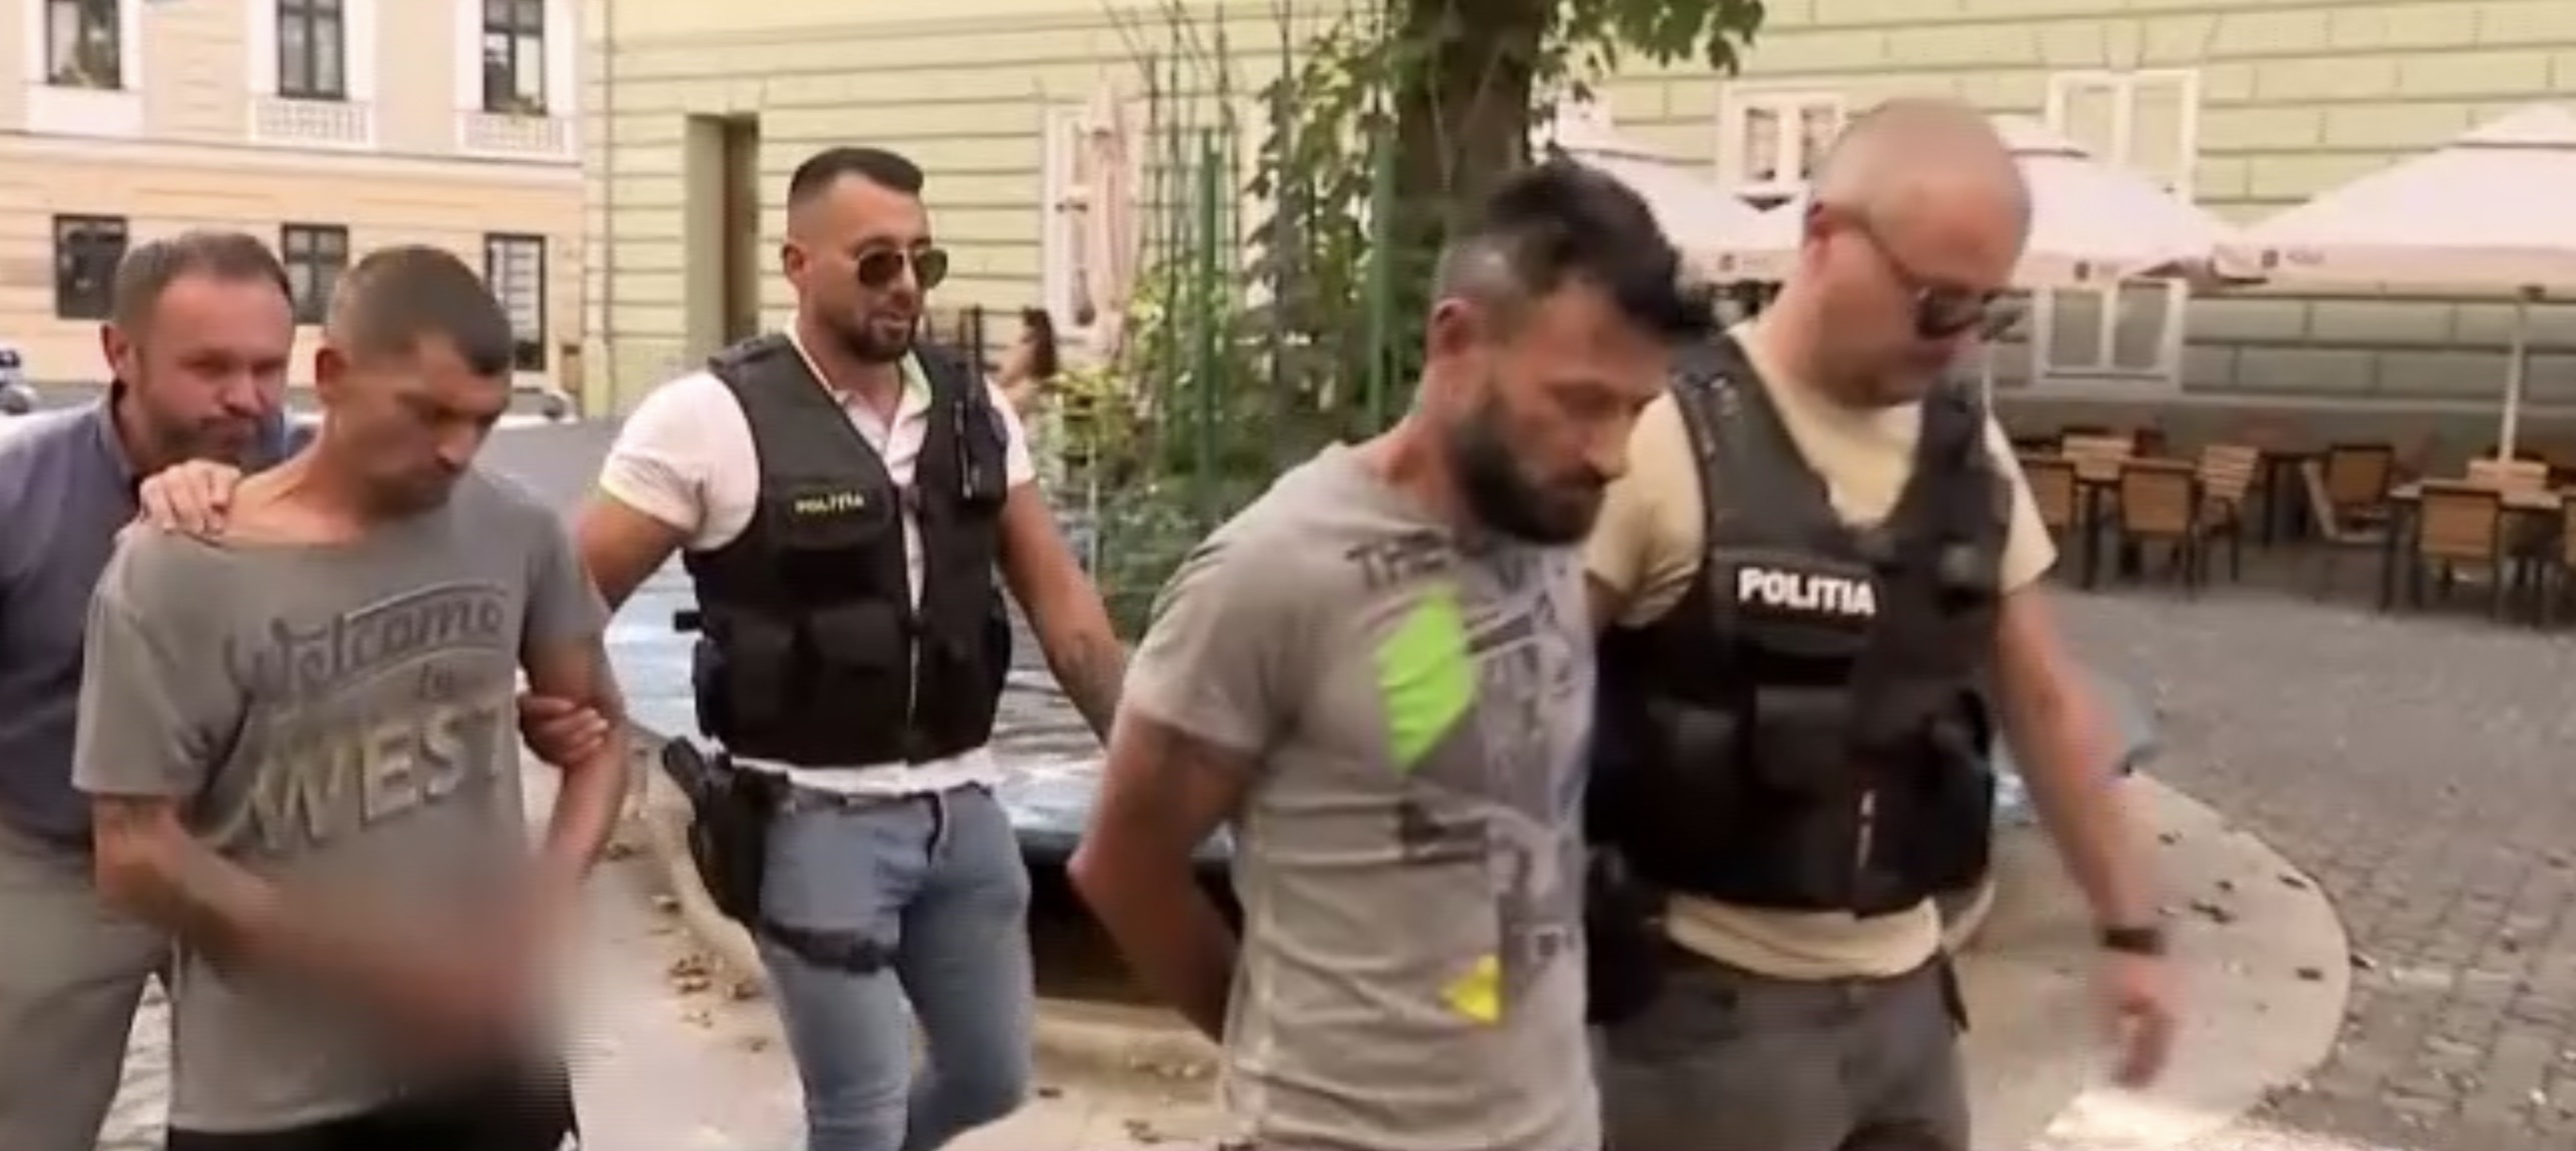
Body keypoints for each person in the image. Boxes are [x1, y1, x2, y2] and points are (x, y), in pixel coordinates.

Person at [1070, 159, 1712, 1151]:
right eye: (1580, 402)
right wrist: (1285, 1066)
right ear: (1455, 341)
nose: (1612, 454)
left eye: (1635, 409)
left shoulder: (1549, 525)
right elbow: (1124, 865)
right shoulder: (1278, 569)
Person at [1581, 97, 2176, 1151]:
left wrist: (2131, 929)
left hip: (1911, 1008)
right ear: (1823, 238)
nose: (1957, 342)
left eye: (1985, 309)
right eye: (1934, 302)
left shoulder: (1967, 449)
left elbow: (2043, 701)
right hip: (1703, 1026)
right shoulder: (1660, 434)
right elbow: (1493, 693)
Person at [573, 145, 1128, 1151]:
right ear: (797, 264)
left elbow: (1069, 615)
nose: (906, 284)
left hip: (965, 814)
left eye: (924, 260)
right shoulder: (706, 419)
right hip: (810, 821)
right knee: (860, 1113)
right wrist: (594, 750)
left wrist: (1146, 771)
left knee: (989, 1077)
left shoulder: (973, 409)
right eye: (877, 261)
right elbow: (568, 602)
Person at [70, 244, 629, 1151]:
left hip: (489, 1058)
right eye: (427, 413)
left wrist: (546, 898)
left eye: (483, 420)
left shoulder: (515, 527)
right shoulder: (177, 567)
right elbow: (134, 851)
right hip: (278, 1094)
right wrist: (387, 975)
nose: (457, 449)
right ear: (332, 375)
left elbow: (602, 738)